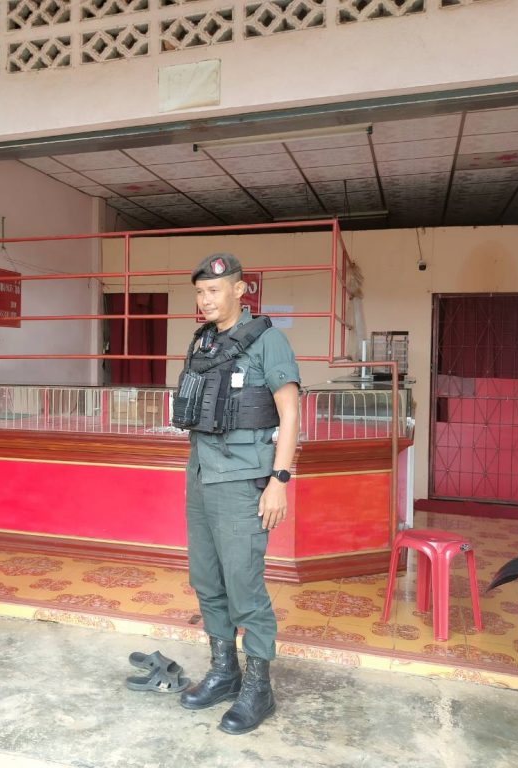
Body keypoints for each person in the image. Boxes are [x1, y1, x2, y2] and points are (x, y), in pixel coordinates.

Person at [173, 252, 300, 735]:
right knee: (207, 579)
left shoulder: (268, 340)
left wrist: (279, 480)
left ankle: (258, 688)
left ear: (240, 290)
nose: (205, 300)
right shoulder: (203, 341)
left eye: (213, 290)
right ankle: (224, 672)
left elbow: (290, 413)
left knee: (244, 585)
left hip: (243, 480)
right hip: (201, 476)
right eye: (199, 292)